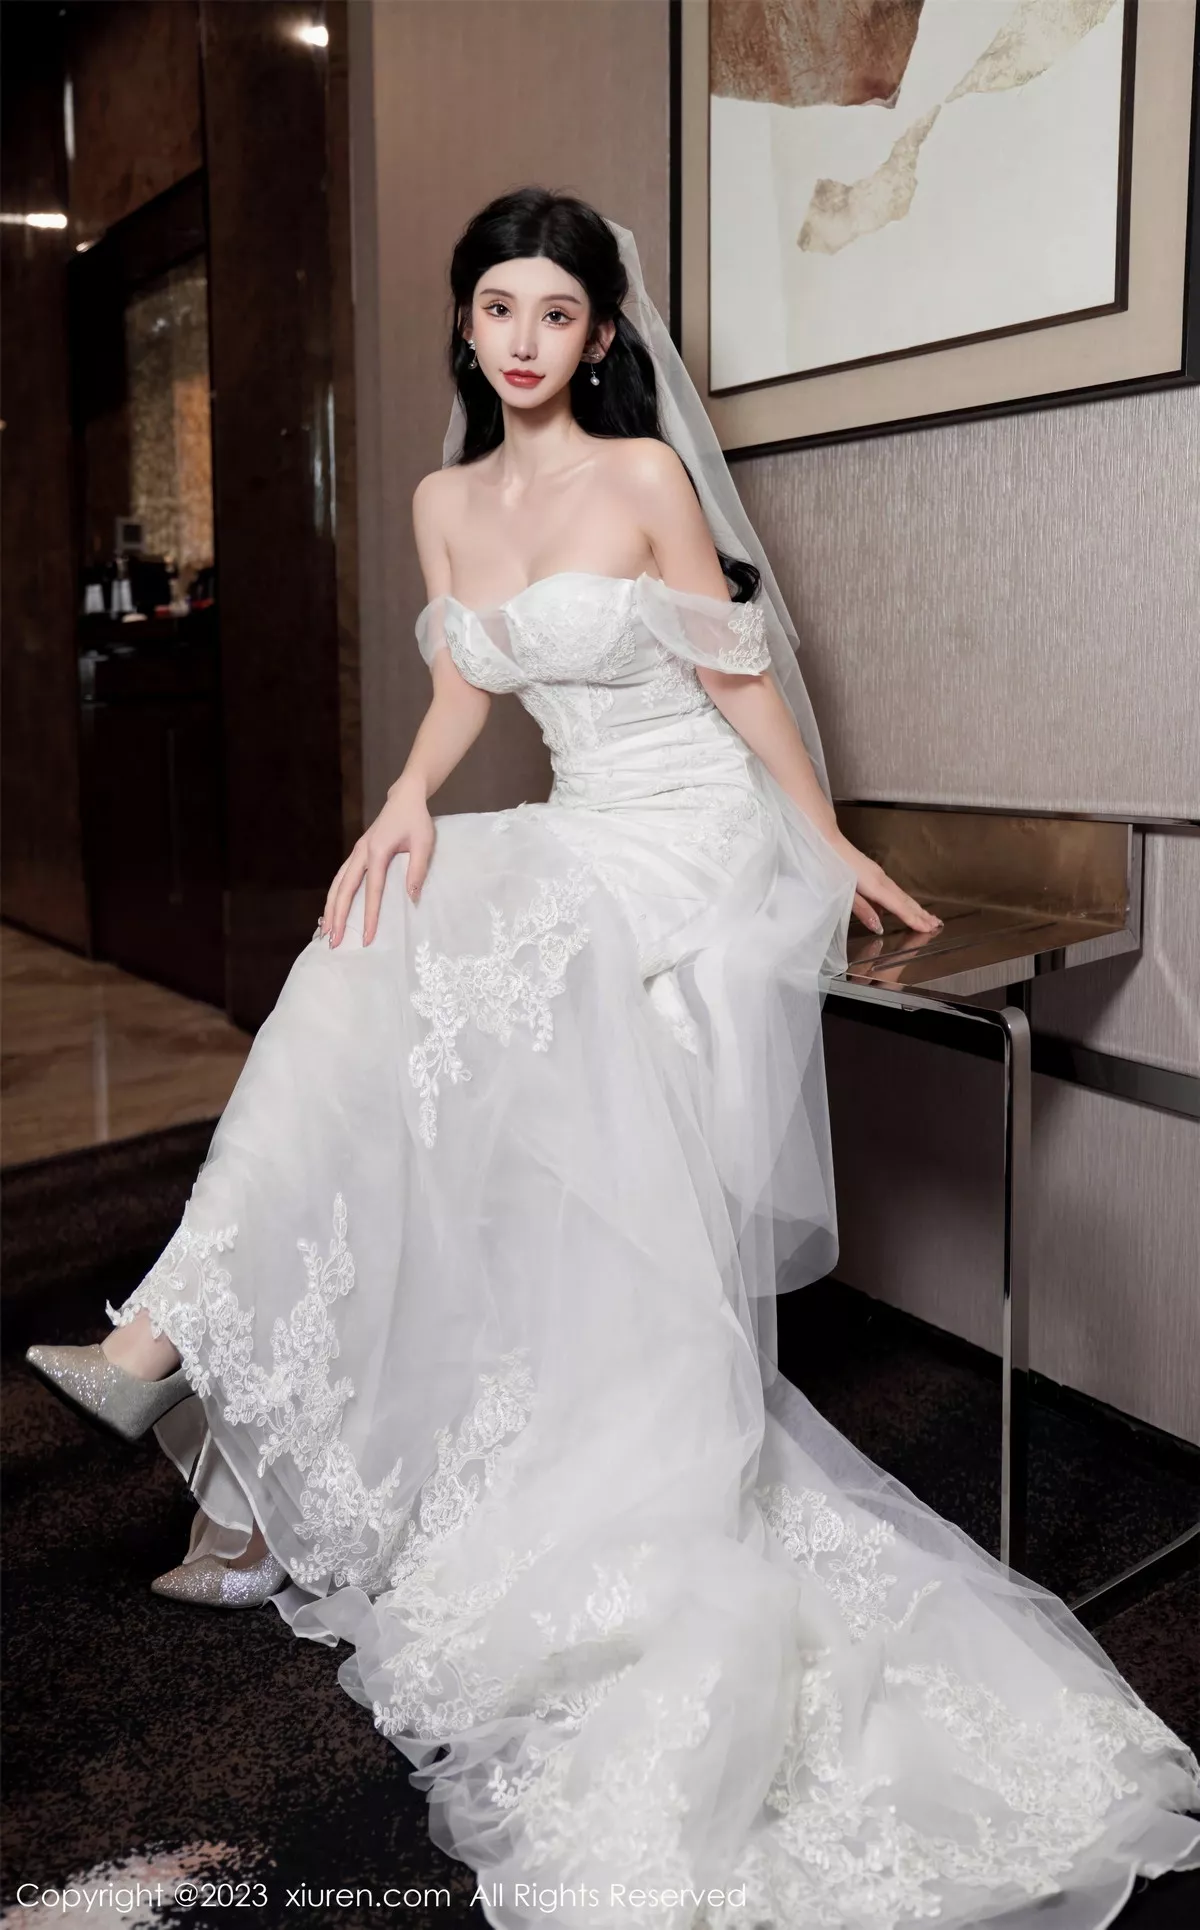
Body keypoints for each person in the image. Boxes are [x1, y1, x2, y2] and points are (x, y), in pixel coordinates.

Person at [26, 188, 1199, 1930]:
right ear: (466, 319)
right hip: (580, 830)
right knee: (371, 932)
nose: (523, 339)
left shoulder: (643, 477)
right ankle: (173, 1339)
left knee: (433, 946)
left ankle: (176, 1352)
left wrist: (824, 844)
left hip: (691, 840)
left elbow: (741, 685)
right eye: (498, 306)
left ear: (597, 336)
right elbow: (467, 686)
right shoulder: (441, 501)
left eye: (557, 313)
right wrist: (406, 798)